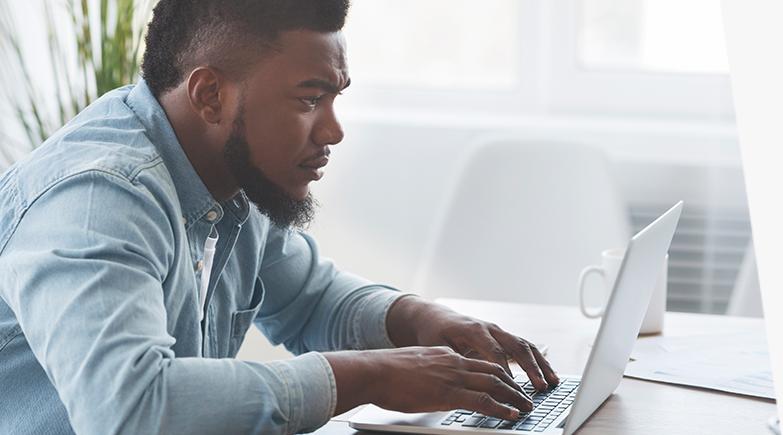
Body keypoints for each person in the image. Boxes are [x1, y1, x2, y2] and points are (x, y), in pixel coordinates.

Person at [0, 1, 559, 434]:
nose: (334, 130)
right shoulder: (99, 198)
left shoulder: (231, 176)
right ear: (210, 94)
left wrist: (419, 319)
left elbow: (312, 300)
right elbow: (131, 409)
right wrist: (370, 376)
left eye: (335, 96)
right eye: (307, 99)